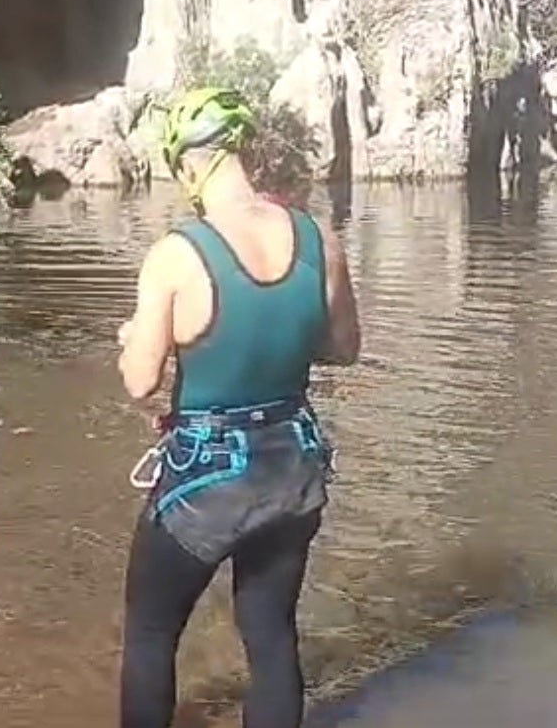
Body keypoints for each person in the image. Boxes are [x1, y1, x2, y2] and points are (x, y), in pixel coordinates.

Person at [114, 87, 361, 728]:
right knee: (272, 635)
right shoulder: (317, 237)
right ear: (242, 151)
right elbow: (343, 348)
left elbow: (140, 383)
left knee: (150, 635)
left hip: (208, 477)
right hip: (293, 466)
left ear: (189, 165)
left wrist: (132, 343)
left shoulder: (178, 252)